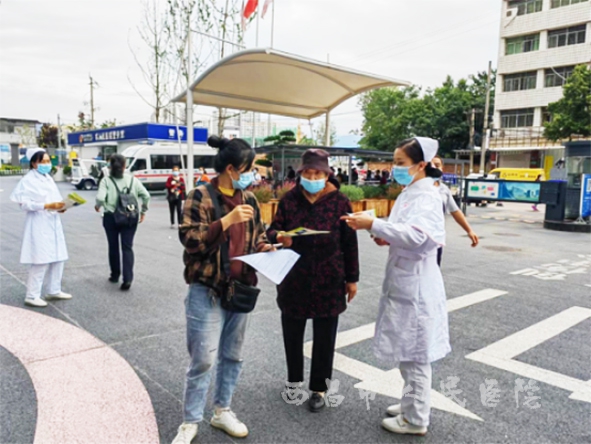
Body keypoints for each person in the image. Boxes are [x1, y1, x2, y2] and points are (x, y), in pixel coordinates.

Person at [343, 137, 450, 436]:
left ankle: (415, 419)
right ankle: (410, 405)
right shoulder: (411, 192)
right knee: (408, 352)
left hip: (417, 284)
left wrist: (374, 225)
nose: (395, 168)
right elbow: (404, 230)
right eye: (395, 162)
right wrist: (385, 234)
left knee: (415, 356)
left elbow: (419, 237)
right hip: (406, 280)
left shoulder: (427, 196)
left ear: (421, 165)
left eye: (401, 163)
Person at [173, 136, 273, 444]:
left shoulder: (249, 199)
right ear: (232, 169)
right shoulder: (200, 195)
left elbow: (257, 237)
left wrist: (267, 248)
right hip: (207, 289)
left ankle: (222, 410)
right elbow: (190, 240)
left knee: (233, 355)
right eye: (250, 168)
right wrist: (226, 221)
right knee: (203, 359)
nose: (253, 174)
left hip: (240, 289)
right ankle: (190, 420)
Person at [267, 149, 359, 413]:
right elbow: (272, 230)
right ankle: (294, 382)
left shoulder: (340, 202)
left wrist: (352, 279)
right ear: (301, 173)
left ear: (327, 174)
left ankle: (319, 388)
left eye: (318, 173)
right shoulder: (289, 200)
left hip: (330, 278)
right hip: (294, 277)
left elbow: (349, 242)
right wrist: (280, 236)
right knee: (292, 334)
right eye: (308, 173)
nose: (313, 177)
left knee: (325, 338)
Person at [10, 148, 72, 307]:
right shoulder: (28, 180)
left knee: (58, 258)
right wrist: (45, 206)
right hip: (38, 222)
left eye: (48, 161)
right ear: (33, 163)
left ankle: (54, 290)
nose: (46, 164)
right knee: (40, 260)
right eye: (42, 161)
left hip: (53, 221)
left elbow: (56, 200)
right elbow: (24, 204)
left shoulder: (48, 178)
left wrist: (61, 207)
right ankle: (32, 295)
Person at [95, 154, 150, 291]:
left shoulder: (106, 181)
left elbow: (100, 198)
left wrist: (99, 206)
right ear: (125, 166)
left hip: (111, 217)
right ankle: (128, 279)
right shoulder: (133, 180)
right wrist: (143, 211)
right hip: (130, 217)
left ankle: (115, 275)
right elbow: (146, 196)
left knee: (113, 246)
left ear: (110, 166)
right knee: (127, 247)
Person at [431, 156, 479, 265]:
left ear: (442, 168)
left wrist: (469, 231)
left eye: (437, 165)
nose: (434, 167)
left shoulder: (444, 189)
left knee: (434, 271)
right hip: (419, 239)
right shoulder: (417, 187)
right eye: (431, 165)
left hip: (437, 239)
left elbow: (455, 211)